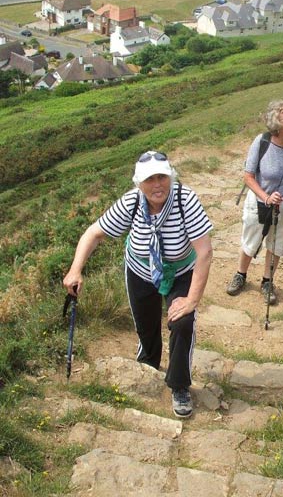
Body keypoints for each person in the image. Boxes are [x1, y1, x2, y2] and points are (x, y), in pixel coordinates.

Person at [63, 151, 213, 419]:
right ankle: (148, 367)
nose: (157, 184)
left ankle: (179, 385)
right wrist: (76, 269)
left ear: (170, 177)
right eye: (149, 179)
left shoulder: (184, 200)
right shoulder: (131, 202)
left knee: (182, 322)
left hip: (180, 271)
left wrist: (191, 300)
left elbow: (204, 252)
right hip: (140, 270)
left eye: (162, 177)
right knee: (146, 327)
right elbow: (93, 233)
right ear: (138, 183)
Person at [226, 100, 283, 305]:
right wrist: (266, 197)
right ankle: (240, 274)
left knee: (277, 243)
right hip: (260, 200)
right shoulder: (262, 142)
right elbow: (248, 176)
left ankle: (267, 281)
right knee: (251, 239)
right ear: (276, 122)